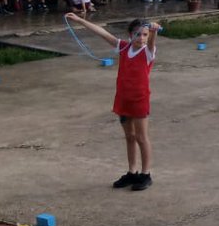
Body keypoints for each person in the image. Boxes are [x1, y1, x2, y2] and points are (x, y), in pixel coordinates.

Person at [65, 13, 161, 191]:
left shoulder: (148, 52)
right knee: (129, 137)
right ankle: (132, 172)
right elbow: (102, 33)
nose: (141, 38)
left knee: (141, 137)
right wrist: (80, 20)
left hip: (139, 100)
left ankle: (146, 174)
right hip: (123, 98)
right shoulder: (124, 47)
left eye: (144, 35)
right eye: (137, 34)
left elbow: (152, 43)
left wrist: (154, 32)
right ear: (130, 35)